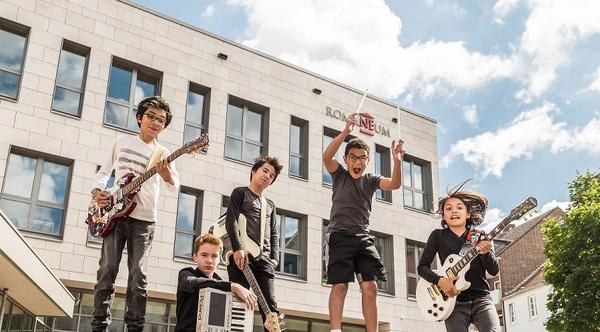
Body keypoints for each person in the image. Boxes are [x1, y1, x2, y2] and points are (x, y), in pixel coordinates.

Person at [90, 96, 180, 332]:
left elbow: (174, 186)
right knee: (107, 270)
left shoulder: (163, 153)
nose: (156, 123)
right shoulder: (121, 142)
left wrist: (167, 175)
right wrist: (97, 191)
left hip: (145, 220)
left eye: (162, 120)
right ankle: (98, 326)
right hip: (115, 216)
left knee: (138, 277)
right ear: (140, 117)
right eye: (151, 116)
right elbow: (104, 171)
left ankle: (135, 328)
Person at [323, 112, 405, 332]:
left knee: (370, 286)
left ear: (368, 161)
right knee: (340, 285)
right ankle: (335, 330)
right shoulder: (339, 175)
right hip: (339, 235)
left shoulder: (371, 180)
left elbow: (395, 184)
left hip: (363, 238)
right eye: (353, 157)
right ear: (347, 159)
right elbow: (327, 157)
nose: (357, 161)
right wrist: (346, 131)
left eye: (362, 158)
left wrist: (397, 160)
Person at [417, 185, 500, 332]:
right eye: (448, 208)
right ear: (443, 216)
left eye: (459, 207)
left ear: (468, 214)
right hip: (453, 302)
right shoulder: (437, 235)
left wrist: (486, 253)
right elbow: (422, 267)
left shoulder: (479, 236)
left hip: (481, 299)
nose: (454, 211)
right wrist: (440, 281)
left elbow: (493, 271)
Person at [225, 156, 283, 331]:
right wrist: (237, 249)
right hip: (241, 257)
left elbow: (274, 233)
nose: (267, 176)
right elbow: (231, 221)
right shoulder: (240, 193)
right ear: (253, 171)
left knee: (270, 308)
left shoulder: (270, 205)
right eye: (264, 171)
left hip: (265, 260)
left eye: (271, 175)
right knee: (240, 304)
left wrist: (274, 259)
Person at [175, 233, 257, 331]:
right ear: (195, 257)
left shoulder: (222, 285)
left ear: (219, 259)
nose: (209, 260)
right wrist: (232, 286)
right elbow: (190, 283)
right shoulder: (186, 274)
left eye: (214, 256)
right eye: (204, 255)